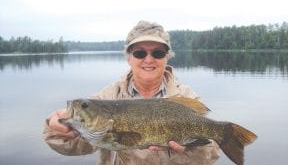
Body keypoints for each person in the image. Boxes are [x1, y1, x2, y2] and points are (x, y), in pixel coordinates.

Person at [43, 20, 220, 165]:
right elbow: (71, 146)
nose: (149, 59)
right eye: (139, 53)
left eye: (158, 53)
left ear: (167, 56)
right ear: (129, 57)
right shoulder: (109, 96)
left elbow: (211, 155)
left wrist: (189, 150)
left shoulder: (185, 98)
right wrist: (56, 128)